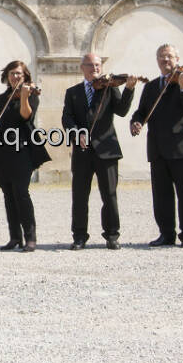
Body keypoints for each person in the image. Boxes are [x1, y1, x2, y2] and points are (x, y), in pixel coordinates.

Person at [61, 53, 136, 250]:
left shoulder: (110, 89)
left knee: (109, 195)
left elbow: (121, 110)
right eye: (91, 65)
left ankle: (112, 235)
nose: (95, 68)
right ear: (82, 68)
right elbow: (67, 119)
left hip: (107, 150)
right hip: (82, 151)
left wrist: (128, 89)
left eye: (98, 65)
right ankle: (79, 236)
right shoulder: (73, 92)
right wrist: (77, 134)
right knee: (79, 195)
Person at [130, 44, 183, 247]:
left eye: (169, 56)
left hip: (181, 147)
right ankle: (166, 233)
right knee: (161, 196)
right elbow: (141, 112)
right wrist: (136, 122)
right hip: (158, 148)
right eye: (162, 57)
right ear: (157, 60)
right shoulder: (151, 86)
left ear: (177, 59)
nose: (165, 60)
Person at [0, 59, 49, 251]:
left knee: (21, 193)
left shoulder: (30, 94)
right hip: (2, 152)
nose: (15, 76)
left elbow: (26, 116)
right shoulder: (2, 99)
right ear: (6, 77)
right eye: (12, 73)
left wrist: (24, 97)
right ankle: (14, 237)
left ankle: (30, 237)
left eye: (19, 73)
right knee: (8, 195)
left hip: (22, 151)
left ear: (25, 76)